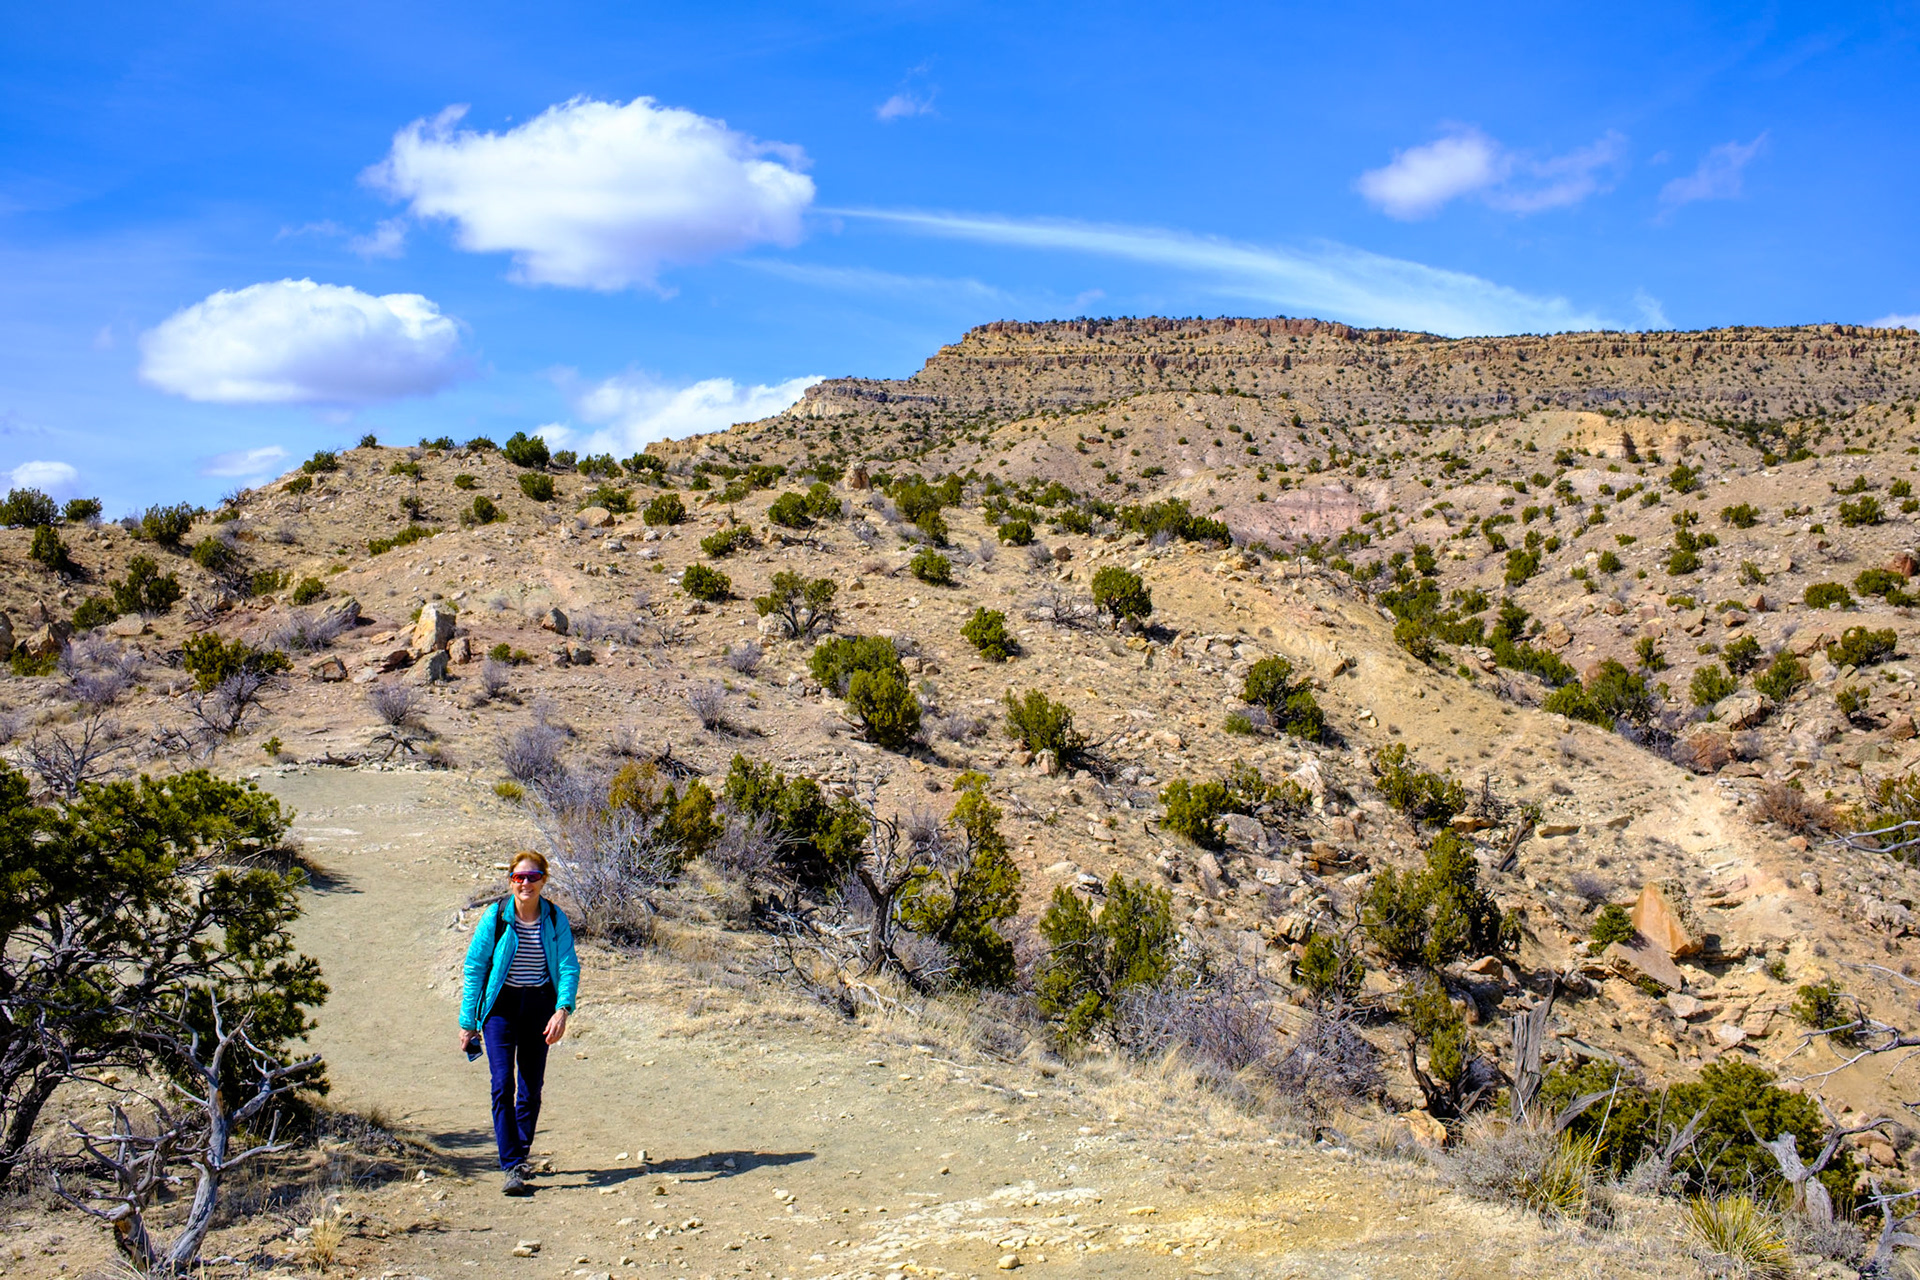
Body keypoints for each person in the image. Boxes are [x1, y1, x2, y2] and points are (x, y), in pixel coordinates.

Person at [459, 850, 579, 1195]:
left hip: (540, 1005)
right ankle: (511, 1164)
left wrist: (562, 1010)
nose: (525, 883)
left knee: (531, 1086)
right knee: (502, 1084)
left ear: (544, 880)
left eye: (532, 876)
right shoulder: (496, 917)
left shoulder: (555, 919)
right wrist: (468, 1023)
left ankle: (520, 1154)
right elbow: (475, 968)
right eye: (518, 877)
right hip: (502, 1007)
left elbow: (569, 966)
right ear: (511, 880)